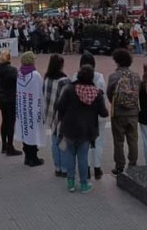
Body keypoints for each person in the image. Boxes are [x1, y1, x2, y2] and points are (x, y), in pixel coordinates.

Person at [57, 64, 108, 193]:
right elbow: (104, 113)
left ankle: (70, 182)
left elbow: (60, 106)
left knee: (69, 154)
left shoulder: (69, 89)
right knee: (83, 157)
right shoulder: (96, 92)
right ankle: (84, 183)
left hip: (69, 127)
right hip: (87, 129)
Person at [107, 48, 141, 176]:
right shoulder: (136, 76)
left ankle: (119, 166)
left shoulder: (114, 76)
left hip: (118, 112)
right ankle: (133, 163)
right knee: (133, 140)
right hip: (133, 112)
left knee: (118, 141)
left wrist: (115, 103)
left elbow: (110, 93)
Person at [73, 52, 107, 179]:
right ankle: (97, 168)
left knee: (83, 143)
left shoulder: (75, 77)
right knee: (98, 142)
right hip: (97, 116)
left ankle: (85, 168)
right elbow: (103, 96)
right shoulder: (99, 77)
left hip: (81, 116)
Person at [15, 51, 45, 166]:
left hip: (23, 108)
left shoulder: (20, 73)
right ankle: (33, 158)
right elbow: (40, 91)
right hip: (32, 109)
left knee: (25, 132)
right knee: (32, 132)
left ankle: (27, 157)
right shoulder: (35, 75)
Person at [43, 54, 71, 176]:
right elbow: (67, 99)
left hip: (50, 113)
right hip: (62, 115)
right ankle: (64, 168)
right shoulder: (64, 81)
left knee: (54, 141)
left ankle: (57, 167)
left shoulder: (47, 78)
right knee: (63, 142)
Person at [0, 49, 22, 156]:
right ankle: (10, 146)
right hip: (11, 97)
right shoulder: (13, 70)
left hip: (2, 96)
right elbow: (18, 82)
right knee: (10, 122)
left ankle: (4, 145)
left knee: (4, 121)